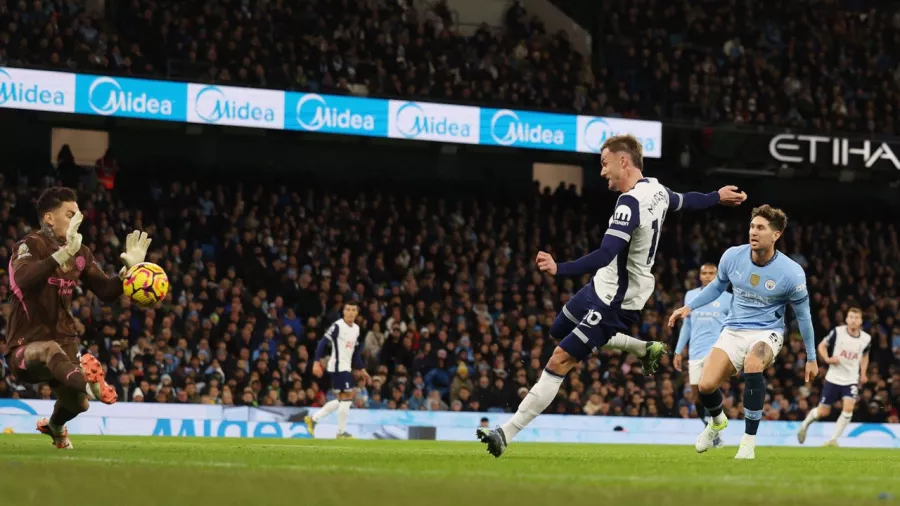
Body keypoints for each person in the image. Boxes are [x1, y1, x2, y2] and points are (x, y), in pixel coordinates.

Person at [477, 134, 747, 457]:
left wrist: (558, 268)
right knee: (558, 331)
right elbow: (685, 200)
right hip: (599, 287)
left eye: (604, 163)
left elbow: (606, 253)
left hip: (613, 302)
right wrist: (716, 196)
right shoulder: (657, 191)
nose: (602, 171)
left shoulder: (629, 202)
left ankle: (505, 434)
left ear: (623, 161)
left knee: (559, 359)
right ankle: (641, 348)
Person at [5, 187, 151, 449]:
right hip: (25, 347)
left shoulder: (81, 253)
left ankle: (55, 427)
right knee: (50, 351)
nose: (76, 221)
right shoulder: (29, 245)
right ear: (50, 218)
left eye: (78, 215)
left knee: (77, 404)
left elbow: (106, 292)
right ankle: (90, 383)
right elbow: (24, 279)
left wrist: (128, 272)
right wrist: (62, 254)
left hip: (64, 341)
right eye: (70, 214)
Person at [668, 204, 818, 460]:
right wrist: (689, 307)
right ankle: (717, 422)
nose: (753, 232)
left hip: (767, 332)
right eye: (752, 226)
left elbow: (803, 316)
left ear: (776, 235)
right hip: (733, 330)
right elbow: (716, 288)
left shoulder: (791, 273)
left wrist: (811, 357)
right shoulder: (732, 257)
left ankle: (748, 442)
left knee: (752, 363)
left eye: (761, 228)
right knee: (705, 385)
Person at [673, 262, 732, 447]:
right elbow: (687, 325)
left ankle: (714, 430)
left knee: (709, 388)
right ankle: (712, 429)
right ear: (699, 276)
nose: (707, 276)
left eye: (711, 273)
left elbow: (732, 325)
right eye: (704, 273)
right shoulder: (691, 296)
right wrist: (677, 350)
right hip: (695, 351)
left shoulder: (728, 298)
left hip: (716, 350)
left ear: (717, 275)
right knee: (697, 396)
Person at [797, 308, 870, 447]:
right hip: (833, 378)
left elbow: (865, 355)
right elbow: (822, 346)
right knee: (823, 412)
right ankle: (805, 425)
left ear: (861, 321)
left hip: (851, 380)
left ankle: (833, 439)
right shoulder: (838, 332)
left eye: (856, 318)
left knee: (848, 409)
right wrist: (828, 359)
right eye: (851, 317)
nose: (853, 320)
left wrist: (864, 373)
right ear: (847, 319)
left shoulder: (866, 338)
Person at [305, 301, 371, 439]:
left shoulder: (356, 329)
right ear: (344, 312)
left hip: (346, 367)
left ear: (357, 312)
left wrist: (362, 369)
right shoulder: (337, 326)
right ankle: (341, 432)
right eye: (348, 309)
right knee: (347, 398)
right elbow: (323, 342)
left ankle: (313, 419)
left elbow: (356, 351)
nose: (351, 312)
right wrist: (316, 361)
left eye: (354, 310)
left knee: (342, 400)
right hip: (337, 366)